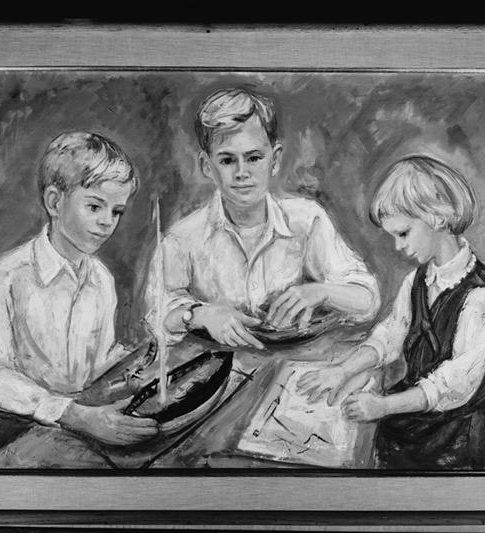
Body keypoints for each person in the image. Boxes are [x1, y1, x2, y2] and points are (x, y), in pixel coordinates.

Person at [296, 155, 485, 470]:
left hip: (466, 431)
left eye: (403, 233)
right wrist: (342, 370)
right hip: (417, 415)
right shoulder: (416, 281)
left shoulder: (481, 299)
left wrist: (383, 406)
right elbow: (388, 337)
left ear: (437, 218)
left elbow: (451, 387)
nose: (397, 246)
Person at [0, 131, 159, 468]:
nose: (107, 222)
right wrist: (70, 413)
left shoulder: (100, 279)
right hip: (15, 434)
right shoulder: (7, 278)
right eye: (94, 206)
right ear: (55, 202)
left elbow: (95, 362)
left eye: (116, 211)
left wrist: (132, 364)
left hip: (81, 422)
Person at [145, 88, 381, 348]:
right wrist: (199, 315)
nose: (242, 172)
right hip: (216, 363)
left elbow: (368, 299)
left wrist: (322, 292)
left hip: (298, 360)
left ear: (275, 160)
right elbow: (157, 318)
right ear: (206, 166)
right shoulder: (182, 239)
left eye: (254, 158)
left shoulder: (307, 220)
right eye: (227, 160)